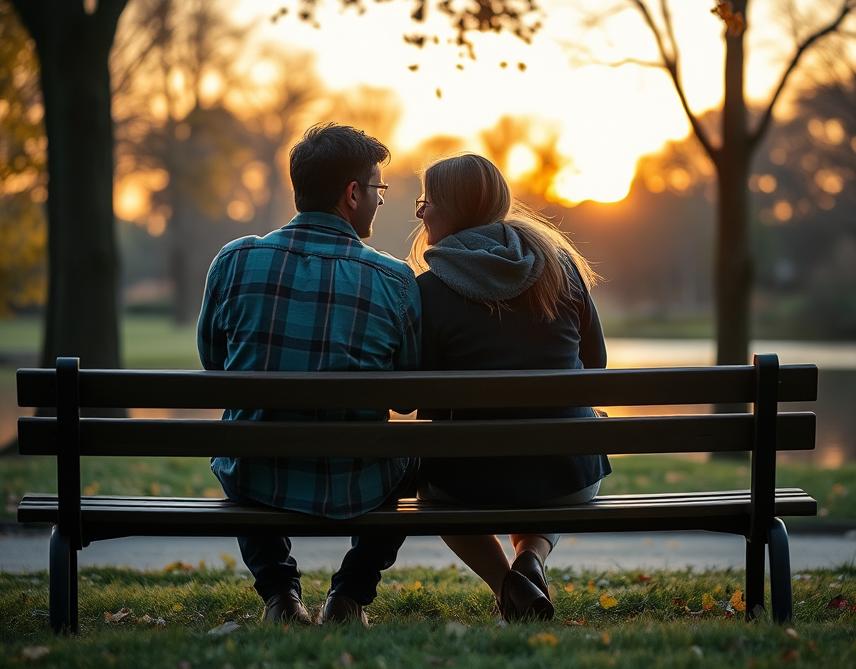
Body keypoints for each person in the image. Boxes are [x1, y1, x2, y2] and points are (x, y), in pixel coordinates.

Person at [197, 123, 421, 626]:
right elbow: (407, 397)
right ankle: (348, 596)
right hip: (358, 478)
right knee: (417, 459)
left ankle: (280, 596)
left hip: (259, 472)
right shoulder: (394, 280)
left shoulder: (233, 261)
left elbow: (215, 366)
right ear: (352, 194)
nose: (381, 201)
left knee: (241, 440)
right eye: (378, 189)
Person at [408, 153, 610, 622]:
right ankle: (530, 561)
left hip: (464, 486)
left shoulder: (429, 289)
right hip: (568, 478)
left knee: (430, 492)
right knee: (554, 447)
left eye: (426, 203)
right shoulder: (559, 266)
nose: (421, 214)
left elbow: (411, 398)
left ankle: (508, 585)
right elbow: (596, 366)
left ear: (453, 210)